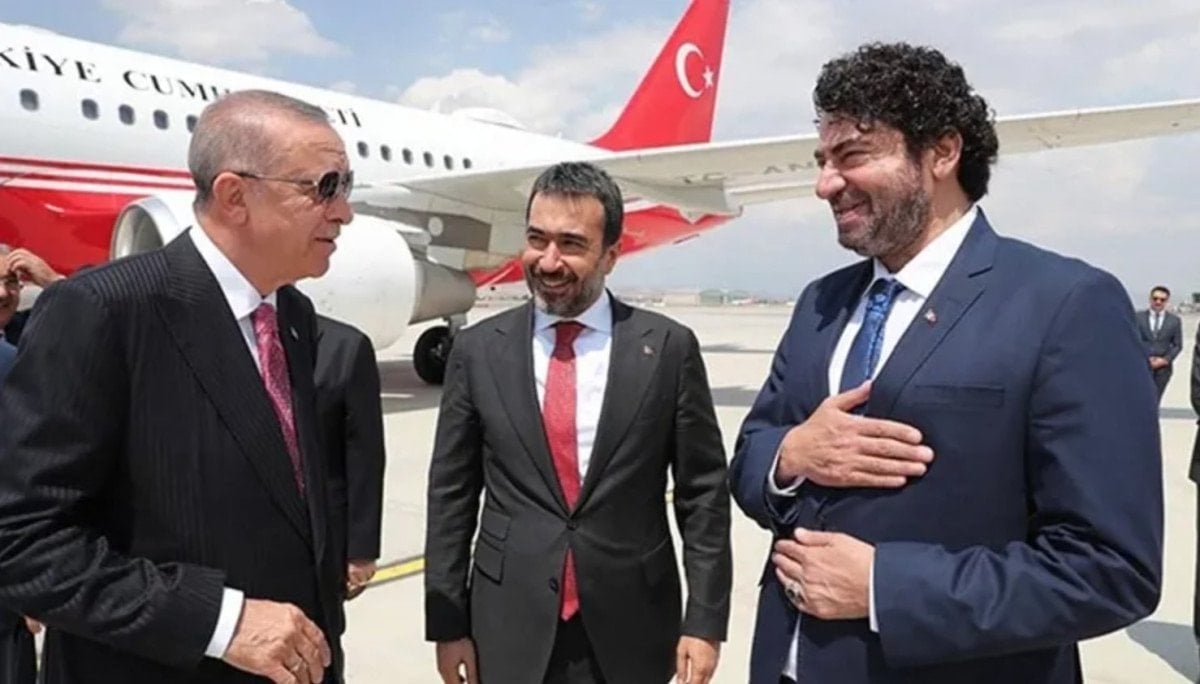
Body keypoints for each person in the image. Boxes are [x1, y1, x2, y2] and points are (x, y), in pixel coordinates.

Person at [728, 42, 1162, 684]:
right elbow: (751, 455)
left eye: (853, 156)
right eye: (822, 161)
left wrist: (885, 587)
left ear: (942, 152)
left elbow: (1110, 569)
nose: (824, 184)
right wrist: (790, 456)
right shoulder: (822, 301)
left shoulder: (1065, 304)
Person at [0, 89, 354, 684]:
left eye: (345, 187)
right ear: (234, 196)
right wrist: (217, 621)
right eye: (323, 187)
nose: (344, 212)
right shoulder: (101, 312)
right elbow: (20, 541)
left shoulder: (290, 315)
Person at [424, 161, 732, 684]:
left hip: (633, 626)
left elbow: (702, 494)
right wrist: (447, 622)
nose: (548, 261)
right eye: (536, 239)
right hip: (508, 624)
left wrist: (704, 623)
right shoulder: (477, 351)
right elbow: (451, 494)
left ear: (611, 254)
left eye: (570, 244)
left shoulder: (667, 348)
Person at [312, 314, 386, 601]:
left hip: (318, 543)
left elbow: (364, 454)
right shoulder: (215, 335)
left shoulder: (343, 346)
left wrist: (360, 549)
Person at [1137, 285, 1182, 402]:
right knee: (1139, 399)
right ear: (1150, 299)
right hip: (1142, 366)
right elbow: (1132, 340)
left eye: (1162, 300)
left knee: (1154, 400)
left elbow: (1177, 345)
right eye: (1155, 298)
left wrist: (1165, 360)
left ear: (1167, 301)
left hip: (1163, 369)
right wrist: (1144, 358)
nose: (1158, 302)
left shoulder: (1174, 321)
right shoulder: (1138, 317)